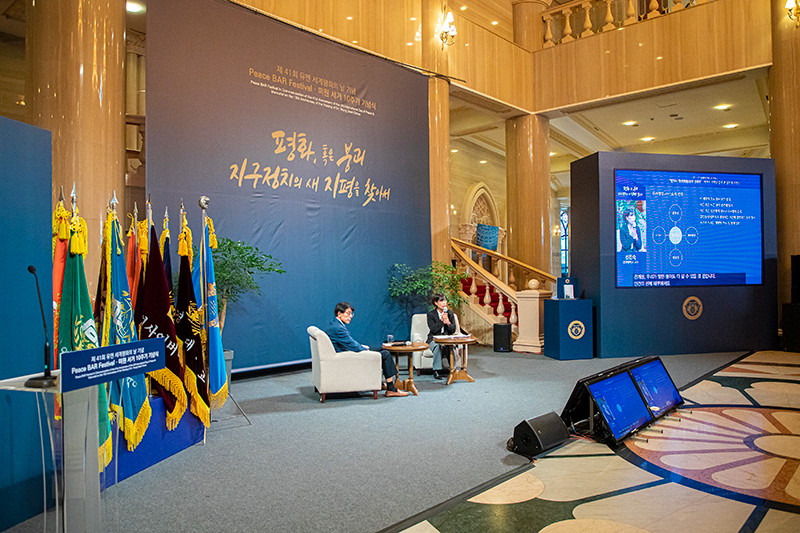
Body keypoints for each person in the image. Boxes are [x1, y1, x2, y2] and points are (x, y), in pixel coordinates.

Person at [325, 302, 409, 397]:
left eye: (351, 314)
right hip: (346, 358)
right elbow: (352, 345)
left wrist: (362, 347)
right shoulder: (338, 328)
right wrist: (364, 350)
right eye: (348, 313)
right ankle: (391, 389)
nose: (350, 316)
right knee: (385, 354)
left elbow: (348, 342)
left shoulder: (334, 324)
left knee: (380, 352)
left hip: (344, 355)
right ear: (339, 314)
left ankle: (380, 384)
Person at [426, 293, 457, 380]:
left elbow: (453, 330)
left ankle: (453, 369)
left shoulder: (450, 313)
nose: (444, 303)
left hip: (447, 339)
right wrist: (441, 321)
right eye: (441, 301)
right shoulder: (431, 315)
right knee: (437, 346)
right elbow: (433, 329)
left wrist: (448, 323)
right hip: (434, 339)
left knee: (451, 346)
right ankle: (437, 370)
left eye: (445, 300)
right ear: (436, 303)